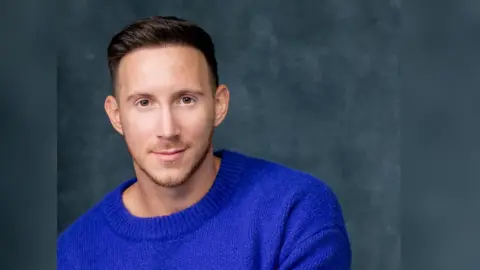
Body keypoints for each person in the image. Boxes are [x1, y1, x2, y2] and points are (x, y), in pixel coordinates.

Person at [57, 15, 352, 269]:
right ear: (116, 115)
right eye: (144, 103)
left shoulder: (295, 212)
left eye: (186, 100)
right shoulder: (73, 253)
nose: (167, 129)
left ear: (219, 104)